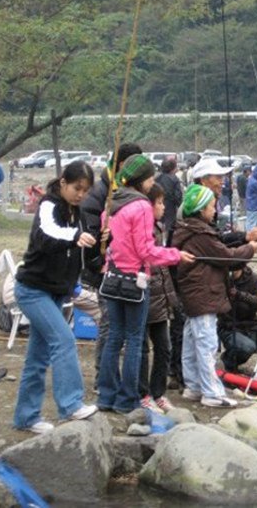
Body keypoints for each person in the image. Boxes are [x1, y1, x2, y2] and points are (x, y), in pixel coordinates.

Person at [97, 154, 194, 414]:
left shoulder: (111, 204)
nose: (153, 183)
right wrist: (176, 255)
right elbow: (145, 250)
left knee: (115, 338)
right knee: (134, 339)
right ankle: (128, 399)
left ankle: (106, 396)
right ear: (141, 180)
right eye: (150, 178)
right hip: (134, 282)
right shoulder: (140, 206)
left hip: (111, 278)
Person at [13, 161, 99, 433]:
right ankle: (71, 404)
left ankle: (26, 417)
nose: (81, 195)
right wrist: (76, 236)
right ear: (63, 182)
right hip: (32, 290)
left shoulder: (79, 213)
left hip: (56, 293)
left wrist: (99, 243)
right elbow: (47, 235)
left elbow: (86, 256)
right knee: (63, 340)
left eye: (85, 190)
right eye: (77, 188)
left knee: (37, 358)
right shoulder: (48, 205)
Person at [172, 184, 257, 407]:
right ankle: (212, 393)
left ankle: (193, 387)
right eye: (211, 206)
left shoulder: (191, 230)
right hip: (202, 295)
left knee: (191, 342)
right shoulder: (199, 235)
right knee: (207, 344)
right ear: (201, 210)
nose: (215, 210)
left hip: (194, 295)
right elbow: (226, 257)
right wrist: (250, 249)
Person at [80, 142, 143, 389]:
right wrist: (97, 264)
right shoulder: (99, 194)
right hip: (105, 269)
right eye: (133, 163)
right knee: (110, 326)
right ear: (120, 165)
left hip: (127, 269)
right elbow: (90, 236)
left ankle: (119, 379)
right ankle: (102, 379)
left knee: (123, 328)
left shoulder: (126, 189)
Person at [139, 183, 179, 414]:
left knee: (164, 348)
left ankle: (158, 393)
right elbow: (152, 259)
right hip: (147, 296)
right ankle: (143, 394)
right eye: (160, 202)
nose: (163, 207)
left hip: (160, 299)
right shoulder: (145, 229)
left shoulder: (160, 228)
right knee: (143, 349)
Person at [155, 158, 183, 233]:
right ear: (172, 169)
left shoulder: (157, 178)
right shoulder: (174, 179)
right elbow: (178, 196)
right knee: (169, 227)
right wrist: (180, 206)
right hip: (170, 207)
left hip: (157, 205)